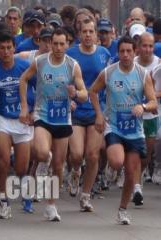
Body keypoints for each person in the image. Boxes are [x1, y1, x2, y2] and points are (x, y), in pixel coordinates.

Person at [19, 28, 88, 221]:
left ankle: (51, 205)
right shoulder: (41, 62)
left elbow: (84, 94)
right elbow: (23, 79)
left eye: (61, 44)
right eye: (54, 43)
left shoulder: (72, 65)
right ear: (50, 44)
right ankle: (43, 160)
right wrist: (25, 107)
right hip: (42, 115)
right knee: (41, 152)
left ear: (67, 44)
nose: (57, 47)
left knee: (59, 166)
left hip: (62, 118)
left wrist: (75, 93)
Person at [89, 36, 157, 225]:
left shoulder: (143, 74)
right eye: (122, 51)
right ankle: (112, 167)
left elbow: (153, 102)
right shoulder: (109, 72)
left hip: (135, 130)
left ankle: (123, 210)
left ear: (135, 52)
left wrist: (142, 107)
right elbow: (92, 91)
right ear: (117, 53)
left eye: (129, 51)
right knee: (117, 161)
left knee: (130, 172)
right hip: (115, 126)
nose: (125, 55)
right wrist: (99, 115)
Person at [0, 30, 35, 219]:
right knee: (2, 160)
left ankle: (25, 190)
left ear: (14, 48)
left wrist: (31, 110)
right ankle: (4, 200)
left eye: (9, 47)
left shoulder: (25, 67)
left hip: (22, 121)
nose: (6, 51)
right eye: (2, 48)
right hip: (3, 120)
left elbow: (37, 89)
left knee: (21, 167)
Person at [66, 18, 111, 211]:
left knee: (92, 155)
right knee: (76, 154)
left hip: (96, 110)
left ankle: (85, 195)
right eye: (84, 31)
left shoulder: (104, 53)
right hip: (77, 109)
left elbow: (109, 84)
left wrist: (106, 111)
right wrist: (69, 100)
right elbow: (63, 80)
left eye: (91, 32)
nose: (88, 35)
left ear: (96, 34)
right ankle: (75, 170)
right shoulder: (71, 54)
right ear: (79, 34)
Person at [132, 32, 160, 205]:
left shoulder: (159, 65)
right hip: (133, 115)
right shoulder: (131, 64)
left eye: (151, 46)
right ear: (138, 47)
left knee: (146, 154)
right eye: (145, 45)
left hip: (151, 114)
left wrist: (149, 96)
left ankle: (139, 175)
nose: (148, 49)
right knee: (134, 151)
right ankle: (135, 186)